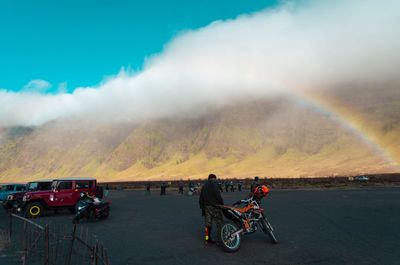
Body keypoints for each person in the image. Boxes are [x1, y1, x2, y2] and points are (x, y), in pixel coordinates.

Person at [199, 174, 224, 244]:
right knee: (219, 223)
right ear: (214, 178)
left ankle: (207, 239)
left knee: (208, 225)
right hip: (215, 206)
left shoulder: (204, 186)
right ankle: (221, 239)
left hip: (207, 207)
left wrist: (202, 207)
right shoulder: (214, 184)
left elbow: (201, 198)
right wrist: (222, 203)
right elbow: (218, 195)